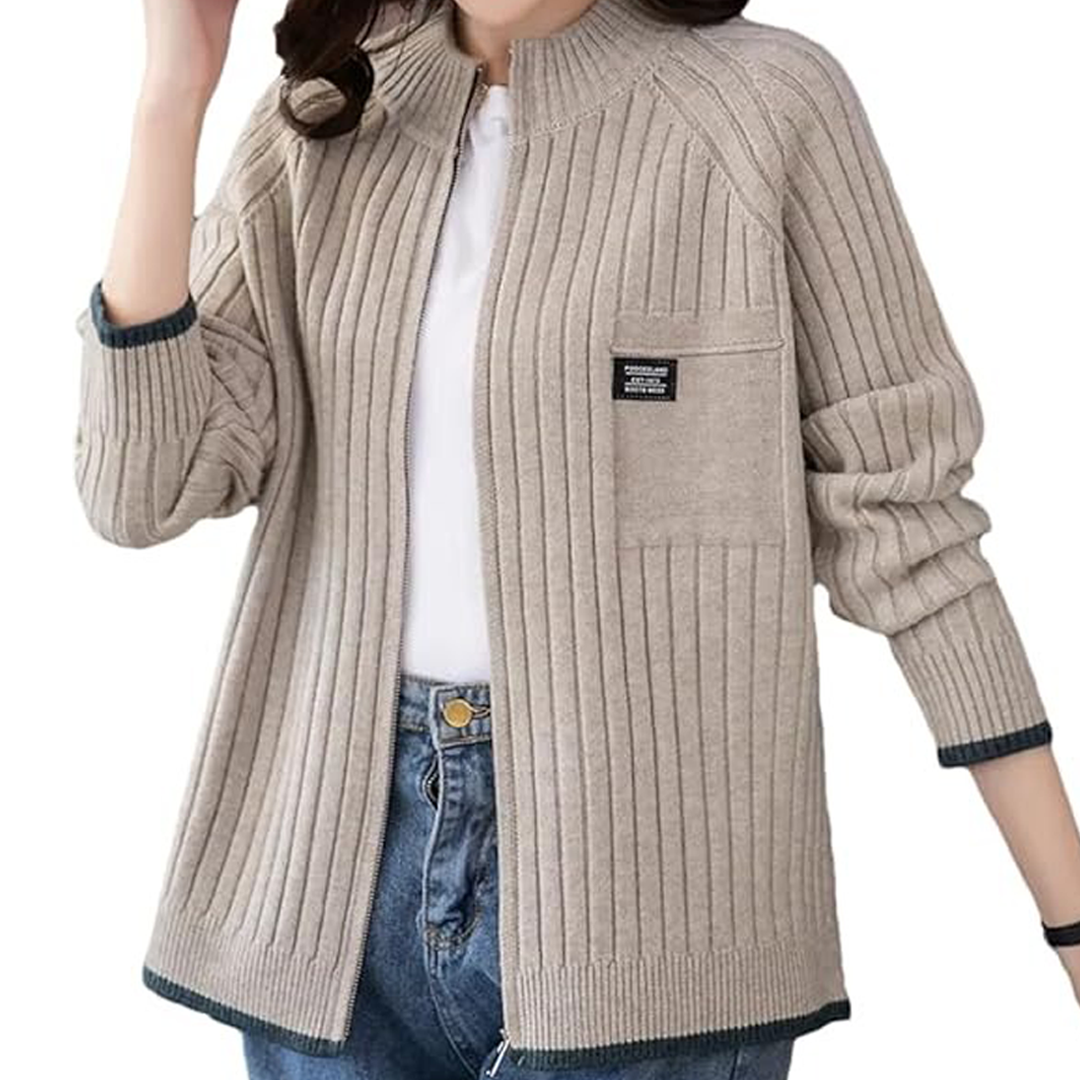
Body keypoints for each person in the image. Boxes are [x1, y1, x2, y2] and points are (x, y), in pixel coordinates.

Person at [72, 1, 1080, 1077]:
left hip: (654, 915)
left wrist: (1068, 915)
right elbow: (141, 489)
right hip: (328, 899)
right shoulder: (322, 116)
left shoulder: (765, 105)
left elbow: (909, 529)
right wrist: (173, 95)